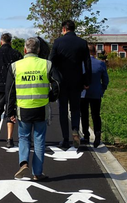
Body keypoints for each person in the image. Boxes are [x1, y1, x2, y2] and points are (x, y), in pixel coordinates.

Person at [5, 37, 61, 181]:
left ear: (25, 50)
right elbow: (57, 84)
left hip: (23, 109)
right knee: (39, 140)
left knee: (23, 137)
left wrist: (9, 112)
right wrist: (51, 97)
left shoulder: (15, 66)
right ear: (39, 50)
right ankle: (37, 173)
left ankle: (23, 162)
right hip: (41, 108)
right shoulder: (47, 65)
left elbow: (10, 91)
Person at [49, 20, 92, 148]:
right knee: (75, 109)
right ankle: (74, 129)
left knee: (63, 110)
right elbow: (87, 63)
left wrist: (53, 80)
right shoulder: (82, 43)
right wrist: (86, 81)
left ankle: (65, 138)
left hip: (62, 82)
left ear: (63, 29)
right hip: (77, 81)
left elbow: (51, 62)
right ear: (74, 29)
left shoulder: (58, 42)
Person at [80, 44, 109, 148]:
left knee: (84, 115)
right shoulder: (101, 64)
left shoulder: (81, 64)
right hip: (96, 93)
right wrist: (102, 90)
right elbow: (105, 80)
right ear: (95, 52)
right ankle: (97, 136)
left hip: (84, 93)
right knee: (96, 115)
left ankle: (86, 136)